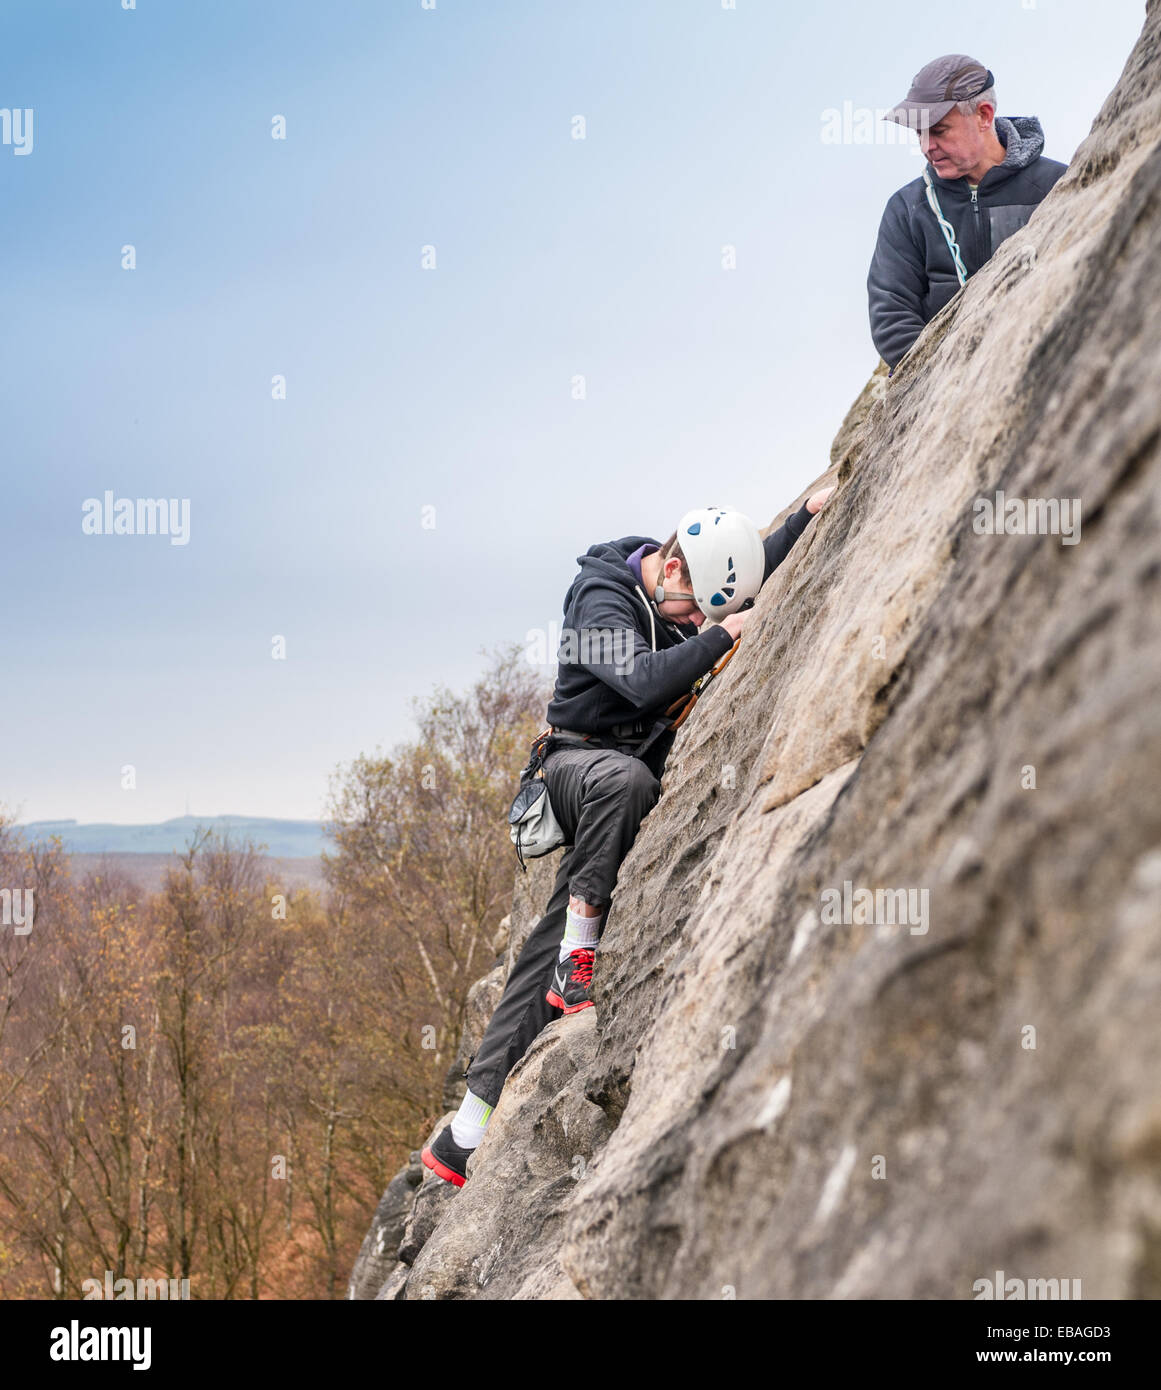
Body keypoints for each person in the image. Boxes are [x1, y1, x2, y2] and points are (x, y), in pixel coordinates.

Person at [422, 486, 834, 1186]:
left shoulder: (683, 581)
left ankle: (462, 1134)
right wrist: (719, 636)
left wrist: (803, 517)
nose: (698, 618)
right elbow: (641, 683)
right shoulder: (598, 598)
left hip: (620, 770)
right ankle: (577, 960)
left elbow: (738, 579)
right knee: (624, 785)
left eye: (709, 611)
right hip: (575, 767)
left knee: (538, 951)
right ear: (671, 571)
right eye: (692, 606)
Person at [867, 54, 1067, 370]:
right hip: (945, 391)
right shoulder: (906, 209)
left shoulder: (1057, 186)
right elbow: (891, 318)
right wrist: (956, 378)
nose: (925, 146)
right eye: (918, 133)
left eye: (939, 130)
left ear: (984, 115)